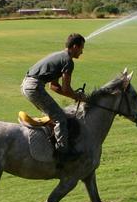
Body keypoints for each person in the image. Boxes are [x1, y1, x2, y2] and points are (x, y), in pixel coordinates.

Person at [21, 33, 88, 162]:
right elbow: (66, 89)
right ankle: (63, 153)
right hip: (34, 87)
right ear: (74, 46)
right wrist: (79, 96)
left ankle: (49, 142)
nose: (82, 52)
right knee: (60, 118)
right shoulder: (68, 61)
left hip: (27, 85)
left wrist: (74, 95)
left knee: (54, 114)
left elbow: (54, 86)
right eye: (81, 48)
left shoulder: (59, 56)